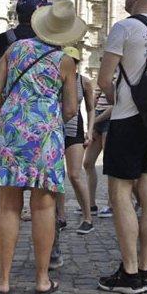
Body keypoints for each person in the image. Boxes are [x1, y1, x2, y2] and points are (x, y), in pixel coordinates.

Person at [0, 0, 85, 294]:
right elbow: (70, 107)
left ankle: (2, 280)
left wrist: (5, 117)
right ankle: (42, 280)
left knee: (8, 206)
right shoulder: (65, 61)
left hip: (12, 131)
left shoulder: (14, 49)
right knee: (44, 207)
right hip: (45, 136)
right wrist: (49, 120)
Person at [0, 0, 60, 271]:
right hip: (44, 128)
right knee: (46, 197)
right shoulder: (53, 45)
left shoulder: (4, 42)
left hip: (10, 126)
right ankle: (52, 257)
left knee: (3, 197)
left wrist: (0, 115)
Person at [96, 0, 147, 294]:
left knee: (120, 192)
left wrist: (115, 100)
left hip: (129, 119)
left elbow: (103, 79)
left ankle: (129, 274)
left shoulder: (124, 27)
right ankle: (144, 269)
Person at [57, 46, 96, 235]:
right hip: (55, 129)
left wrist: (90, 131)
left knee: (74, 174)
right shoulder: (55, 80)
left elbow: (90, 108)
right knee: (57, 176)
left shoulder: (84, 82)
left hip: (74, 129)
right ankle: (61, 217)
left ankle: (87, 217)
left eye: (73, 62)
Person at [82, 89, 113, 218]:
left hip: (111, 117)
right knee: (88, 163)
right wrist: (92, 123)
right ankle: (91, 204)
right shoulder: (105, 71)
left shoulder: (120, 72)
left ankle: (112, 204)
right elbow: (95, 96)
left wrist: (94, 121)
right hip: (98, 116)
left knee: (110, 164)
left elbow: (117, 103)